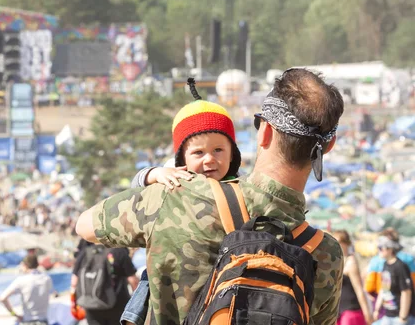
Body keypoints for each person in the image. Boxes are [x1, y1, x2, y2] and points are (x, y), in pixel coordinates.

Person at [76, 68, 345, 325]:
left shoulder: (177, 196)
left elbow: (85, 226)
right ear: (329, 145)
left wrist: (148, 177)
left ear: (264, 131)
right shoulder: (326, 255)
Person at [122, 81, 241, 325]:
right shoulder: (173, 179)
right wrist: (153, 174)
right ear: (181, 158)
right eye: (198, 153)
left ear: (232, 153)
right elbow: (134, 191)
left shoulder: (238, 190)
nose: (209, 159)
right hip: (170, 294)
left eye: (218, 150)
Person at [71, 242, 139, 325]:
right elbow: (133, 281)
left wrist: (75, 303)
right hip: (117, 305)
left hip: (91, 305)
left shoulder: (85, 252)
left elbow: (74, 282)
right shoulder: (119, 251)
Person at [333, 230, 373, 325]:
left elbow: (359, 290)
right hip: (338, 311)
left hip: (351, 310)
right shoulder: (336, 261)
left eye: (339, 242)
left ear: (346, 243)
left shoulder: (351, 262)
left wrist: (367, 314)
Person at [0, 254, 53, 325]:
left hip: (28, 320)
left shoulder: (22, 280)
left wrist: (14, 314)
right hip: (43, 320)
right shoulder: (46, 279)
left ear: (24, 265)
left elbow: (2, 298)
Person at [373, 235, 415, 325]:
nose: (378, 251)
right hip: (388, 315)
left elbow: (406, 292)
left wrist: (403, 316)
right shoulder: (385, 265)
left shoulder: (400, 266)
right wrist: (377, 309)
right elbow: (384, 288)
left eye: (381, 248)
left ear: (390, 249)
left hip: (399, 316)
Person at [366, 228, 415, 301]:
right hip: (401, 300)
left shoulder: (377, 261)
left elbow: (369, 286)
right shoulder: (409, 258)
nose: (380, 248)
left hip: (391, 302)